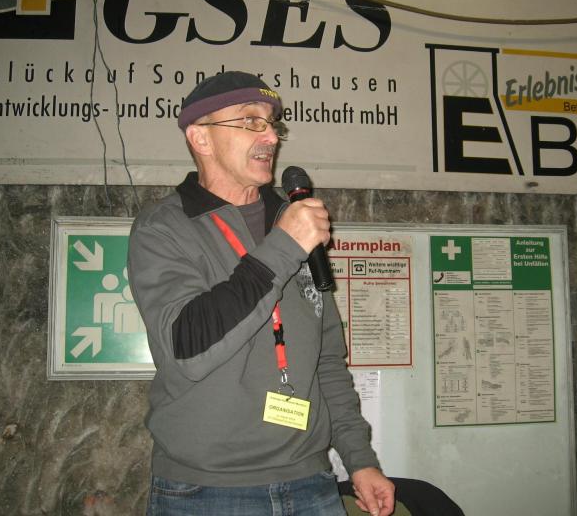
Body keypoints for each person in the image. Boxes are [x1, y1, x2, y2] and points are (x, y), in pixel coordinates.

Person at [127, 71, 395, 516]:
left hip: (311, 482)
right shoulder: (164, 228)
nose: (271, 136)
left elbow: (327, 359)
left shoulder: (292, 223)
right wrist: (284, 248)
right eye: (251, 120)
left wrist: (360, 459)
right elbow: (191, 346)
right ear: (201, 137)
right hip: (205, 492)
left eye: (272, 123)